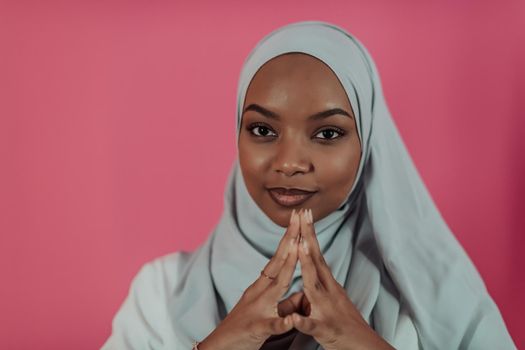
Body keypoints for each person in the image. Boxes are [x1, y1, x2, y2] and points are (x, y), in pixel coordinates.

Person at [101, 21, 516, 350]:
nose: (290, 163)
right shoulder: (160, 292)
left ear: (368, 144)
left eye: (328, 134)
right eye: (262, 129)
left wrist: (358, 342)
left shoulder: (430, 294)